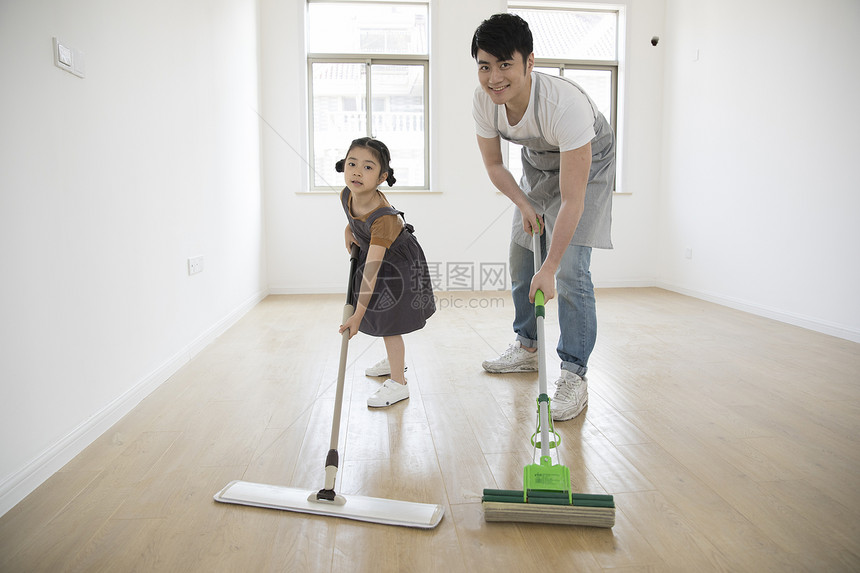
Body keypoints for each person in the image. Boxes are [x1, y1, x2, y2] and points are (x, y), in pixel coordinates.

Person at [471, 14, 615, 421]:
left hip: (590, 166)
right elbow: (495, 166)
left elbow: (572, 199)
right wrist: (524, 203)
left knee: (569, 270)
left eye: (505, 65)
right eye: (485, 66)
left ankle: (574, 372)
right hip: (537, 166)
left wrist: (550, 265)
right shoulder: (484, 101)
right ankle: (528, 347)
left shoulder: (563, 106)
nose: (494, 77)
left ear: (529, 62)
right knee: (520, 258)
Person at [336, 137, 435, 408]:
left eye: (368, 168)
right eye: (352, 163)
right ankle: (395, 364)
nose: (357, 171)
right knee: (379, 311)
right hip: (377, 255)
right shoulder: (347, 194)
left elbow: (372, 269)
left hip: (397, 264)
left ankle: (399, 383)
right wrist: (349, 229)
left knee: (390, 323)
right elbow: (353, 219)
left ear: (382, 177)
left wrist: (357, 314)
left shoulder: (383, 219)